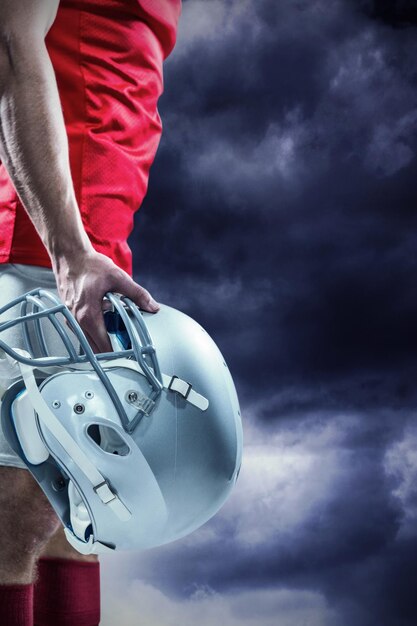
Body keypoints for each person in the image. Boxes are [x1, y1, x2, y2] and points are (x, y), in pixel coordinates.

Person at [0, 1, 181, 624]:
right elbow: (11, 41)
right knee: (18, 510)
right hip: (39, 248)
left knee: (76, 510)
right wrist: (68, 250)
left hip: (87, 247)